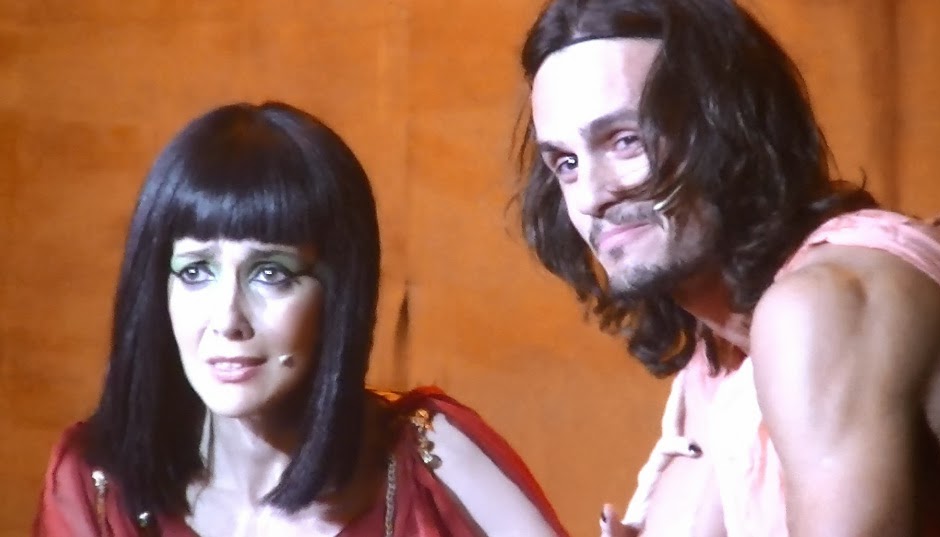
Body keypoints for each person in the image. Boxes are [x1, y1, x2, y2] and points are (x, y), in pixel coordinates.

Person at [514, 0, 940, 535]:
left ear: (730, 125)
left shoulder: (821, 305)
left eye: (627, 140)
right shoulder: (722, 355)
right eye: (566, 163)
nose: (591, 196)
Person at [34, 101, 568, 537]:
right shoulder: (96, 484)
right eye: (196, 271)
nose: (228, 319)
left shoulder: (431, 458)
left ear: (339, 290)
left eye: (270, 274)